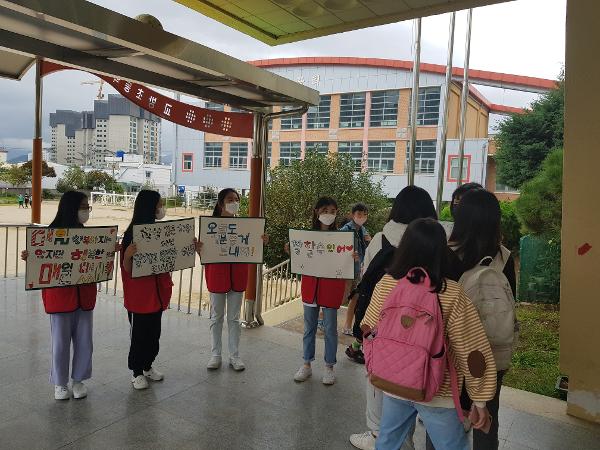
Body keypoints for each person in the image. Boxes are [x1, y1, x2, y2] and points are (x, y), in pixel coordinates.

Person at [361, 218, 497, 450]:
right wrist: (480, 398)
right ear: (440, 251)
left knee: (387, 442)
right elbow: (472, 348)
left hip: (395, 382)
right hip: (437, 392)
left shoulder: (387, 283)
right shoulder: (450, 292)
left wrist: (377, 366)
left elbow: (368, 328)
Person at [349, 186, 437, 450]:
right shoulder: (436, 238)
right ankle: (407, 436)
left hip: (385, 321)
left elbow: (368, 276)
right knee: (415, 372)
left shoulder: (382, 237)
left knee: (379, 374)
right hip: (424, 323)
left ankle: (378, 435)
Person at [447, 188, 517, 450]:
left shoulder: (446, 254)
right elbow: (510, 303)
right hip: (492, 352)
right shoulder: (505, 258)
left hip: (451, 352)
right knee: (487, 416)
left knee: (446, 416)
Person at [20, 191, 101, 400]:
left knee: (85, 341)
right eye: (83, 207)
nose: (86, 211)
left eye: (87, 207)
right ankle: (60, 383)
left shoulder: (88, 236)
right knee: (60, 343)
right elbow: (41, 262)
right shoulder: (51, 234)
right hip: (60, 298)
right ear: (71, 208)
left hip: (84, 297)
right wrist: (31, 257)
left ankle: (79, 380)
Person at [196, 188, 267, 372]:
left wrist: (260, 241)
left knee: (234, 319)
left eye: (237, 199)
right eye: (230, 199)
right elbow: (204, 252)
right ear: (221, 203)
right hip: (216, 276)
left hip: (238, 276)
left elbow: (252, 248)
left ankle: (234, 356)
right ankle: (215, 354)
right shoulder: (210, 226)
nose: (234, 202)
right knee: (217, 316)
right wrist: (198, 248)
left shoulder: (246, 228)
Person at [291, 196, 351, 386]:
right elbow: (300, 256)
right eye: (325, 210)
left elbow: (346, 262)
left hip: (331, 288)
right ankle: (306, 364)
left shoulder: (341, 238)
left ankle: (329, 366)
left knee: (331, 329)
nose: (329, 215)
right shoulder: (307, 235)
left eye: (333, 211)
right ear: (316, 212)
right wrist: (291, 249)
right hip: (311, 287)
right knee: (309, 328)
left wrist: (353, 257)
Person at [121, 190, 173, 390]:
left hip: (158, 295)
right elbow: (127, 267)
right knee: (139, 336)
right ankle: (136, 372)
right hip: (139, 297)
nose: (161, 208)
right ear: (149, 206)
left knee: (154, 334)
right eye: (159, 204)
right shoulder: (131, 233)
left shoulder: (159, 231)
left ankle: (148, 365)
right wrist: (127, 255)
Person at [339, 203, 371, 336]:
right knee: (342, 298)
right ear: (353, 215)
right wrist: (348, 254)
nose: (362, 217)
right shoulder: (345, 230)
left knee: (355, 297)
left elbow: (368, 247)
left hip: (359, 270)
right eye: (359, 214)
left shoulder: (363, 230)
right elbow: (337, 248)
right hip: (346, 269)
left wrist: (370, 241)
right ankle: (323, 316)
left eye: (364, 214)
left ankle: (347, 325)